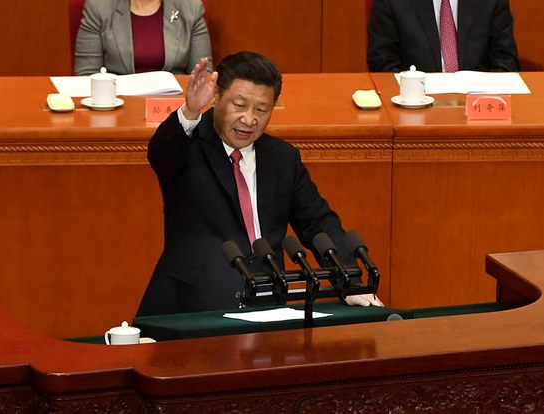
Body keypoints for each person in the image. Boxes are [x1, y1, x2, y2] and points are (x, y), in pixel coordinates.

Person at [136, 51, 383, 316]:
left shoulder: (282, 158)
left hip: (267, 304)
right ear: (217, 96)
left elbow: (318, 222)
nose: (249, 119)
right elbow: (159, 153)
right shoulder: (188, 146)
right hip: (193, 306)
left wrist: (351, 280)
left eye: (262, 109)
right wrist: (190, 111)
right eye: (239, 106)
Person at [367, 0, 520, 73]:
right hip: (415, 110)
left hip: (477, 110)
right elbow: (382, 64)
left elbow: (506, 63)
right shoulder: (391, 2)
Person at [75, 0, 212, 76]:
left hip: (175, 108)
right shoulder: (99, 7)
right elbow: (86, 76)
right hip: (116, 104)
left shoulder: (190, 7)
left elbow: (203, 77)